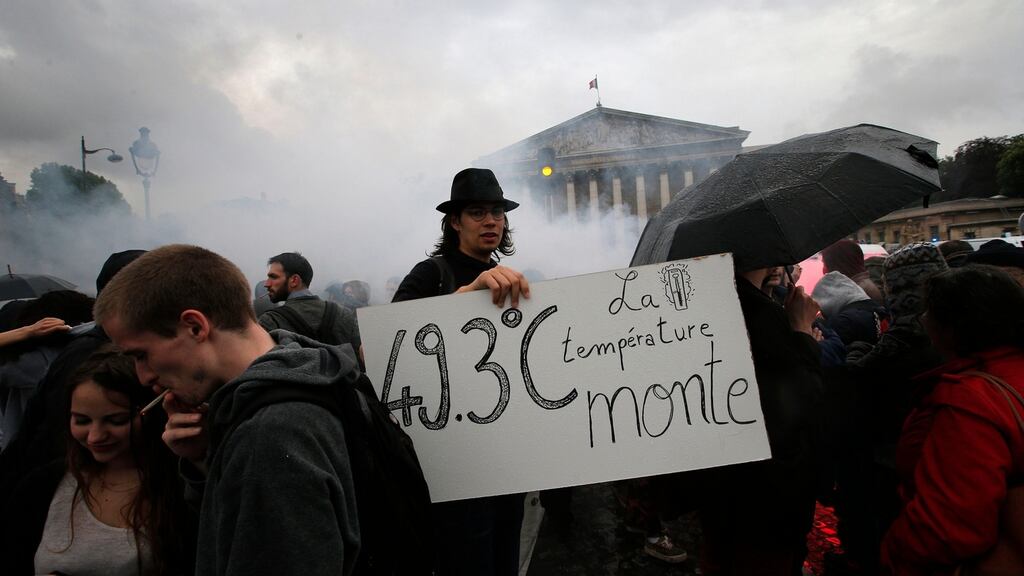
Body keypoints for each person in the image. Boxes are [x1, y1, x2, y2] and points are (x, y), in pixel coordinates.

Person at [93, 244, 360, 576]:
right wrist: (205, 460)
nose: (143, 376)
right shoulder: (306, 369)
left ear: (195, 326)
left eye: (141, 354)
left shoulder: (272, 434)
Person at [392, 167, 530, 576]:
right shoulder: (431, 273)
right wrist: (467, 295)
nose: (490, 221)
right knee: (466, 556)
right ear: (455, 222)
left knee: (506, 550)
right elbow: (385, 346)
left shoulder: (516, 280)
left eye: (497, 212)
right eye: (477, 212)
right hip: (454, 459)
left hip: (508, 455)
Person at [1, 345, 195, 575]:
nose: (95, 436)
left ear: (150, 413)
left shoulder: (183, 486)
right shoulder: (42, 485)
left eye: (116, 420)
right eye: (82, 421)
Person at [881, 265, 1024, 575]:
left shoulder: (970, 400)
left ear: (952, 327)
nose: (922, 319)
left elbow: (948, 526)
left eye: (929, 312)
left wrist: (893, 555)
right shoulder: (1008, 372)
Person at [698, 263, 823, 576]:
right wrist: (803, 331)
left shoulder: (716, 305)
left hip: (726, 495)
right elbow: (803, 403)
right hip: (766, 502)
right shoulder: (759, 315)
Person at [258, 252, 361, 354]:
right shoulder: (344, 315)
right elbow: (362, 361)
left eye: (273, 277)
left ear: (294, 280)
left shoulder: (271, 321)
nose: (267, 284)